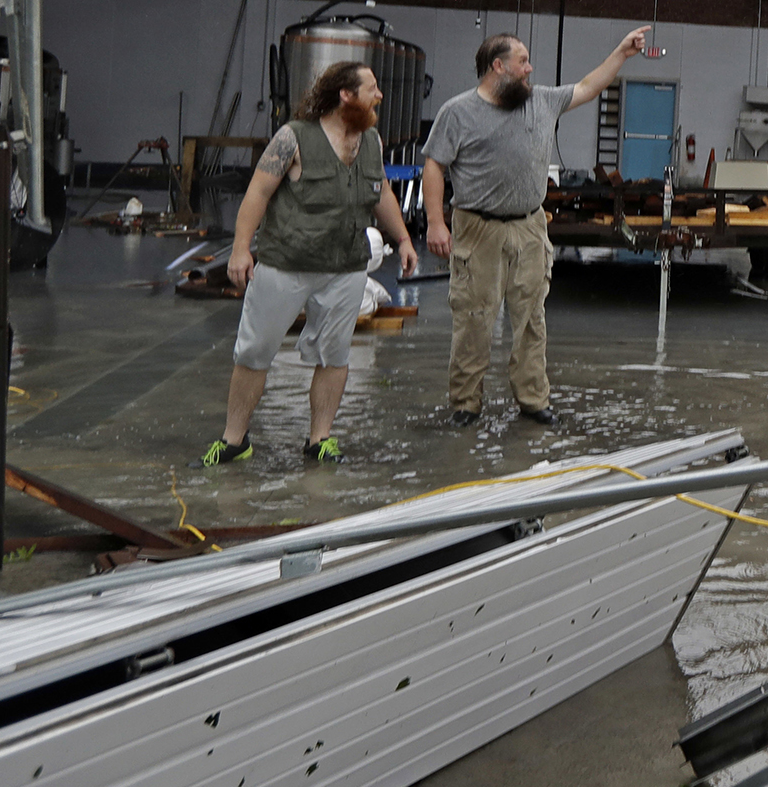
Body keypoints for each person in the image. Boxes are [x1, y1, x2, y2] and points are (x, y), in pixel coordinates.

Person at [423, 26, 651, 425]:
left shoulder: (541, 101)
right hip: (478, 228)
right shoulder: (457, 112)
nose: (531, 68)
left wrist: (621, 53)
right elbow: (434, 166)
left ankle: (533, 399)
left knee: (531, 317)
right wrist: (434, 222)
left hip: (530, 227)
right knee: (474, 319)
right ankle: (465, 403)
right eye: (523, 61)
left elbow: (587, 87)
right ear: (498, 66)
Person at [201, 62, 419, 467]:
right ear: (345, 95)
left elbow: (381, 191)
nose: (380, 96)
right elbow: (257, 193)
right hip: (287, 264)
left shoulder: (370, 140)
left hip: (346, 268)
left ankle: (320, 440)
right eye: (372, 88)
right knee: (255, 351)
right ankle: (234, 440)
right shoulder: (294, 138)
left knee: (334, 356)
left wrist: (403, 238)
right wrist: (240, 249)